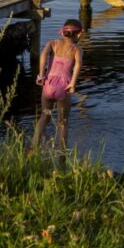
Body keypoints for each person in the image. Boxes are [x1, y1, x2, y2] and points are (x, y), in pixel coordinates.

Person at [33, 19, 84, 150]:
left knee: (45, 116)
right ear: (79, 34)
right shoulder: (76, 49)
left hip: (48, 86)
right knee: (63, 122)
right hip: (63, 87)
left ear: (63, 33)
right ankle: (62, 152)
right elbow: (78, 64)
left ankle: (33, 148)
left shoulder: (53, 43)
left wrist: (41, 75)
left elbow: (43, 55)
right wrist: (72, 83)